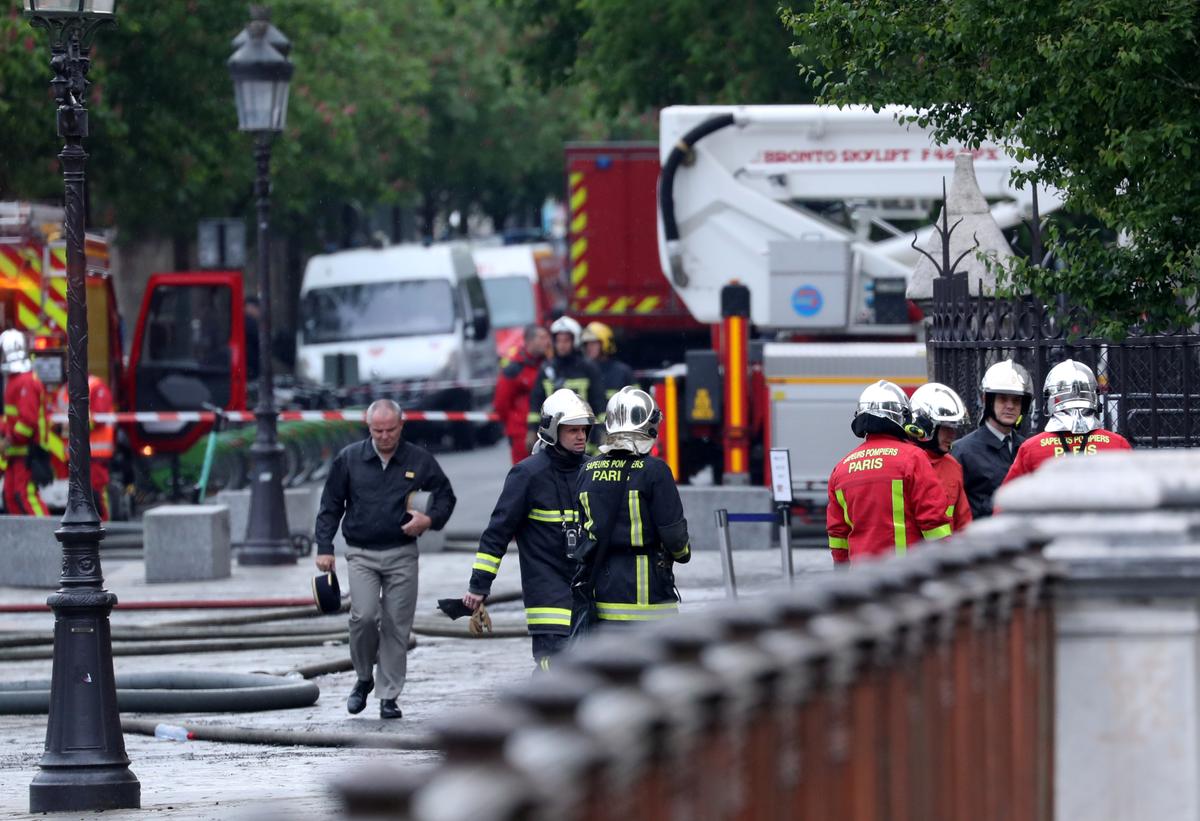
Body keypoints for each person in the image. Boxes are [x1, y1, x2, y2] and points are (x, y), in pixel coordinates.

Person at [315, 399, 456, 719]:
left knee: (396, 625)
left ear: (401, 426)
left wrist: (429, 520)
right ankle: (364, 677)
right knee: (363, 617)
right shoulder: (349, 459)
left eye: (390, 429)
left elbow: (446, 495)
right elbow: (331, 504)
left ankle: (389, 695)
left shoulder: (418, 460)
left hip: (401, 553)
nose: (384, 436)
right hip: (361, 553)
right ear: (369, 428)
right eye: (377, 430)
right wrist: (324, 547)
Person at [462, 389, 595, 670]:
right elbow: (497, 532)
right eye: (572, 430)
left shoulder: (593, 470)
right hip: (547, 593)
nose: (581, 436)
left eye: (584, 429)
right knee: (555, 666)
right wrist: (479, 584)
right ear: (551, 430)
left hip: (588, 591)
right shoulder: (528, 475)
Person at [574, 386, 691, 626]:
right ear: (648, 425)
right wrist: (682, 554)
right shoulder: (655, 471)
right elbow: (674, 535)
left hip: (602, 596)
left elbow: (582, 528)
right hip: (650, 600)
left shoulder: (587, 470)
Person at [826, 380, 952, 564]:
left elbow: (838, 536)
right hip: (904, 578)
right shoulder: (914, 458)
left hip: (861, 581)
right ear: (903, 417)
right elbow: (934, 522)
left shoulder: (841, 469)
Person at [1003, 359, 1131, 483]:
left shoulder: (1031, 448)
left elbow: (1007, 499)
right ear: (1094, 396)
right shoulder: (1117, 445)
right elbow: (1137, 493)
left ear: (1050, 398)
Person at [953, 359, 1033, 518]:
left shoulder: (1027, 447)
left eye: (1016, 400)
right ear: (987, 400)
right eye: (1003, 398)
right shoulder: (962, 451)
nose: (1010, 406)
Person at [526, 316, 606, 451]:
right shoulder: (547, 368)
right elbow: (536, 402)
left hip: (585, 440)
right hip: (553, 439)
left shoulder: (588, 368)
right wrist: (532, 430)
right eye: (558, 341)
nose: (562, 345)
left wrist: (603, 432)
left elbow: (599, 403)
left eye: (566, 340)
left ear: (575, 341)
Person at [907, 382, 973, 532]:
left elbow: (963, 520)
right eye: (945, 427)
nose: (952, 435)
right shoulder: (905, 464)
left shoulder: (953, 466)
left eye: (953, 427)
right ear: (925, 425)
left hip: (947, 552)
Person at [53, 374, 115, 520]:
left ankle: (105, 524)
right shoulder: (63, 390)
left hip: (96, 452)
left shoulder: (95, 386)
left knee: (96, 491)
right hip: (73, 454)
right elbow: (55, 418)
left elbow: (99, 417)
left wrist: (74, 425)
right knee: (80, 494)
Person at [1, 329, 49, 516]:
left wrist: (9, 439)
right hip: (17, 454)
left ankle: (43, 537)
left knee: (25, 495)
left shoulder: (25, 382)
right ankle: (22, 541)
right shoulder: (16, 380)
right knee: (12, 496)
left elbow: (27, 422)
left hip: (28, 452)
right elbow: (12, 419)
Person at [494, 324, 550, 465]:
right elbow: (501, 403)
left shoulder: (548, 365)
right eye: (542, 338)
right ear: (530, 341)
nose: (547, 342)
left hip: (547, 430)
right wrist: (515, 424)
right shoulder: (514, 369)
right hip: (522, 433)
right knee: (524, 475)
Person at [581, 321, 635, 400]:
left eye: (593, 343)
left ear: (606, 343)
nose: (589, 347)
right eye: (587, 344)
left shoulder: (623, 372)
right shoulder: (582, 370)